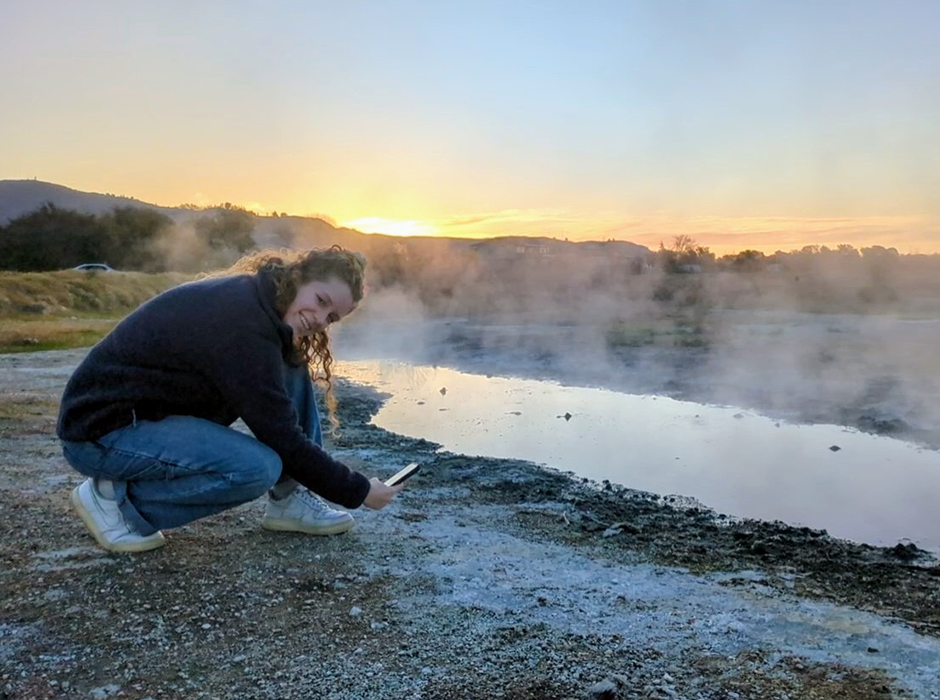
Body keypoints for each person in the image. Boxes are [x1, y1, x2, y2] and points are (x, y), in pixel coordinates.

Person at [56, 245, 402, 553]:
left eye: (331, 318)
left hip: (147, 416)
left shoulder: (260, 306)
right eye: (321, 301)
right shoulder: (242, 323)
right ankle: (115, 504)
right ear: (298, 278)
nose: (319, 320)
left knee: (292, 365)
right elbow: (280, 435)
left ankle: (289, 497)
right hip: (101, 431)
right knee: (256, 467)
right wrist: (357, 491)